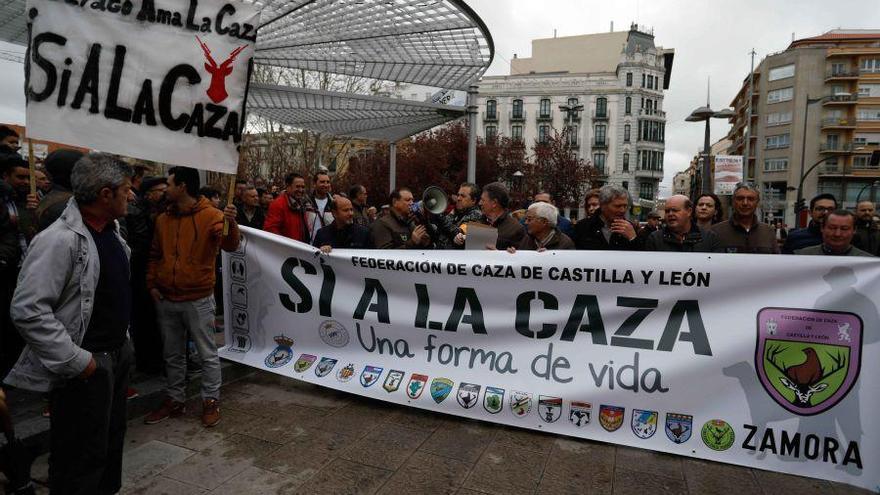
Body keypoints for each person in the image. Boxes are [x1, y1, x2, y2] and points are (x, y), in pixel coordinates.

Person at [4, 153, 134, 494]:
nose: (130, 196)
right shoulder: (58, 240)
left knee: (109, 445)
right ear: (105, 194)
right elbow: (28, 309)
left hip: (116, 355)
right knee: (79, 456)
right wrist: (78, 361)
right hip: (86, 367)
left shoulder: (112, 233)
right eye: (125, 190)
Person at [145, 166, 239, 428]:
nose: (166, 189)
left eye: (170, 184)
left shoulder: (212, 215)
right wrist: (152, 283)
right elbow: (155, 254)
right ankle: (175, 399)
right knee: (172, 354)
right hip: (166, 298)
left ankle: (210, 400)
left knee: (207, 353)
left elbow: (230, 245)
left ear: (183, 186)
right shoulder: (163, 219)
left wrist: (230, 223)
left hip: (197, 298)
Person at [126, 176, 167, 375]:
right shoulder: (136, 213)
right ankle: (147, 362)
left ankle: (158, 359)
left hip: (156, 275)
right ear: (149, 194)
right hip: (140, 275)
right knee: (144, 320)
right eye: (161, 190)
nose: (165, 193)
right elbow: (142, 247)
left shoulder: (162, 212)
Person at [711, 183, 779, 254]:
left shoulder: (768, 232)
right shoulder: (716, 231)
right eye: (740, 198)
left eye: (751, 199)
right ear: (733, 201)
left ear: (757, 202)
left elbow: (776, 261)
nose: (745, 203)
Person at [573, 185, 642, 250]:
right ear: (603, 206)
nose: (623, 210)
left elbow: (640, 258)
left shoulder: (630, 228)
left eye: (625, 206)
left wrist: (633, 239)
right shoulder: (582, 227)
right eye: (618, 206)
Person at [645, 195, 721, 252]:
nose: (670, 214)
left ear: (689, 211)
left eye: (675, 210)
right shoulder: (655, 239)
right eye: (667, 211)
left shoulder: (709, 238)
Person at [794, 210, 873, 257]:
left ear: (854, 230)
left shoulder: (868, 262)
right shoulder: (801, 256)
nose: (837, 234)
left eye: (844, 229)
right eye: (832, 228)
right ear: (822, 228)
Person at [264, 172, 312, 242]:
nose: (301, 190)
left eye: (303, 187)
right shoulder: (278, 204)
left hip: (300, 247)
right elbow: (270, 229)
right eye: (297, 187)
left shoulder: (302, 203)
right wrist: (286, 245)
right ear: (288, 186)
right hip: (287, 249)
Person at [444, 182, 484, 248]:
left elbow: (458, 233)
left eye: (463, 196)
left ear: (473, 200)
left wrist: (441, 217)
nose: (458, 198)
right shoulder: (458, 213)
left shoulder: (476, 215)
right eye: (458, 195)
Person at [308, 171, 334, 240]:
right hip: (309, 246)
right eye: (322, 182)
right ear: (314, 184)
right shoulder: (306, 203)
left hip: (329, 246)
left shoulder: (334, 203)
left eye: (328, 182)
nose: (325, 185)